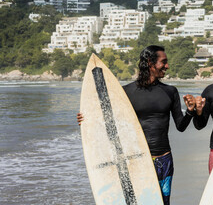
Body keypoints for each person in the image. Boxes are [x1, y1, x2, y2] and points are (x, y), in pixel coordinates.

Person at [78, 45, 196, 205]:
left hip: (164, 159)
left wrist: (190, 111)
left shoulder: (170, 92)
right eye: (164, 62)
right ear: (150, 63)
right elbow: (107, 121)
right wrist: (85, 121)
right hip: (136, 159)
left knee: (163, 202)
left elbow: (180, 126)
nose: (167, 66)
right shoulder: (125, 93)